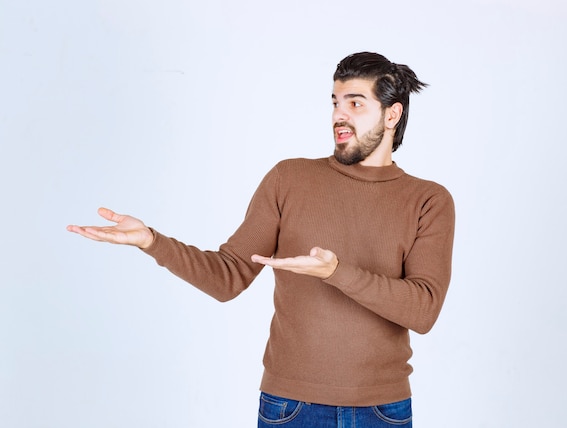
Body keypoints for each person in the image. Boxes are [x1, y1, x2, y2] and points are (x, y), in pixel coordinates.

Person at [67, 52, 455, 428]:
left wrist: (336, 272)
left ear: (392, 114)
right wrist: (152, 241)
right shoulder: (290, 179)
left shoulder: (428, 200)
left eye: (355, 103)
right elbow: (227, 277)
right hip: (291, 407)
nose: (339, 113)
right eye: (335, 101)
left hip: (382, 411)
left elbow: (422, 311)